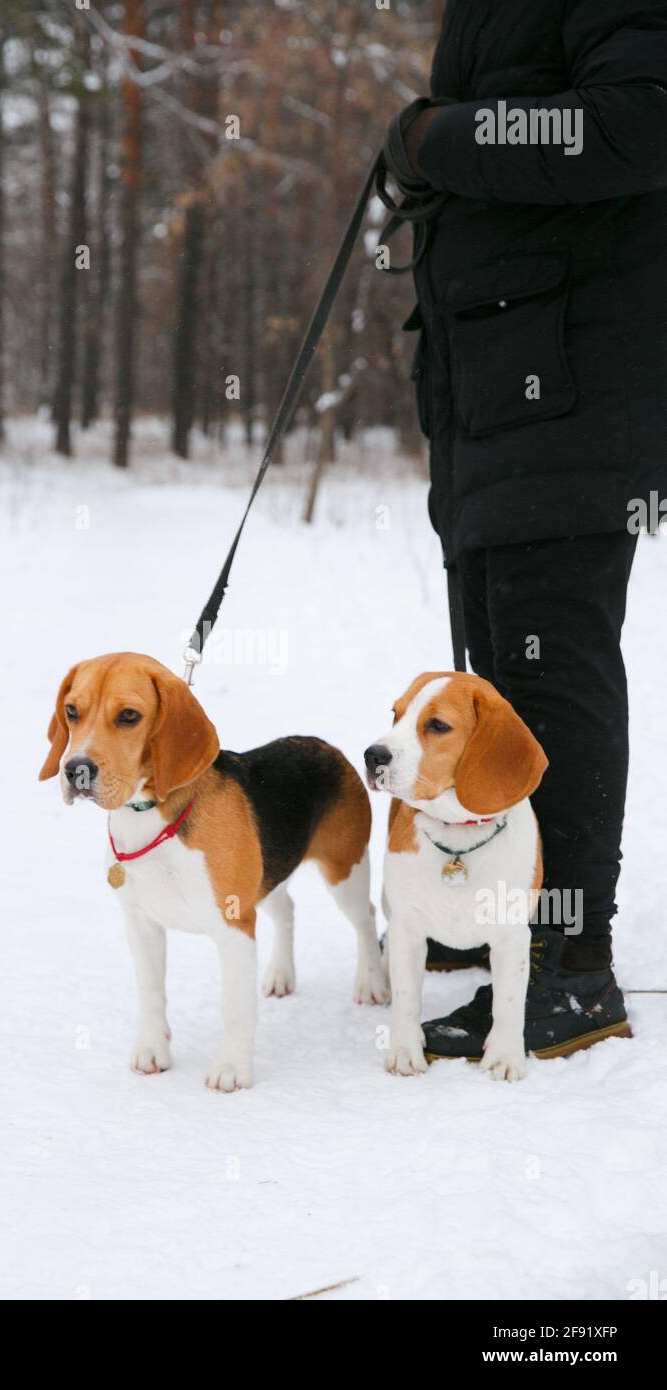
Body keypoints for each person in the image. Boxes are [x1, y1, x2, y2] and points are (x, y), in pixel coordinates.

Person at [381, 0, 667, 1058]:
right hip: (489, 390)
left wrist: (430, 137)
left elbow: (635, 121)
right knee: (486, 682)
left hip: (573, 386)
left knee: (550, 680)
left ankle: (568, 964)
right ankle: (489, 926)